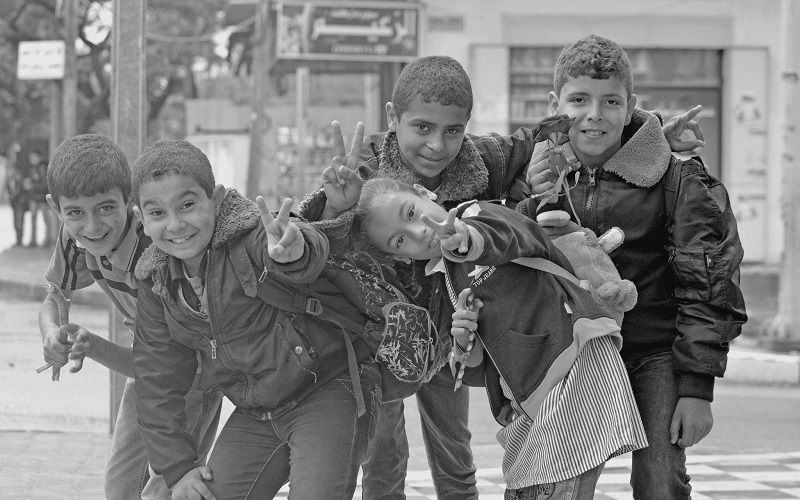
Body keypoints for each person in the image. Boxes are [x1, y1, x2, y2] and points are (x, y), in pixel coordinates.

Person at [300, 54, 706, 499]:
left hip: (457, 326)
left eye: (452, 130)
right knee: (382, 452)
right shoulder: (362, 166)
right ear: (394, 117)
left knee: (453, 451)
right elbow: (315, 241)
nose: (436, 144)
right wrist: (332, 205)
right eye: (422, 128)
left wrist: (651, 136)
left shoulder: (485, 157)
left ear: (466, 125)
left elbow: (568, 126)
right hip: (387, 335)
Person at [520, 35, 747, 499]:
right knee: (552, 487)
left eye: (611, 102)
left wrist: (697, 387)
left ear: (630, 108)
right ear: (555, 104)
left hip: (654, 356)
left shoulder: (678, 179)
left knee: (659, 481)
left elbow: (708, 284)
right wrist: (528, 199)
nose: (595, 114)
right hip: (570, 359)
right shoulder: (535, 178)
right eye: (579, 100)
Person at [351, 177, 648, 498]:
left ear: (424, 193)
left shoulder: (479, 215)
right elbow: (478, 372)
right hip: (532, 395)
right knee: (524, 489)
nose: (418, 232)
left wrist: (466, 238)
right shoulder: (444, 279)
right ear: (399, 257)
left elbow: (512, 236)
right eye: (399, 241)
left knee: (551, 487)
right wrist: (464, 344)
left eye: (411, 213)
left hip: (574, 360)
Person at [130, 140, 384, 499]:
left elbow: (297, 245)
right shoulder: (157, 283)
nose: (175, 224)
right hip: (257, 411)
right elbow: (156, 379)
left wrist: (294, 251)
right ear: (141, 219)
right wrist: (178, 468)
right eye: (157, 213)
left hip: (327, 386)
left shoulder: (248, 235)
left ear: (216, 199)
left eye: (187, 205)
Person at [38, 133, 222, 500]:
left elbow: (162, 365)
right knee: (121, 486)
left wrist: (94, 347)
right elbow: (55, 296)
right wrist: (51, 333)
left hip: (192, 370)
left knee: (170, 488)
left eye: (106, 208)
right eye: (75, 212)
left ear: (130, 202)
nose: (92, 227)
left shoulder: (158, 253)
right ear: (56, 208)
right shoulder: (75, 238)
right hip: (149, 363)